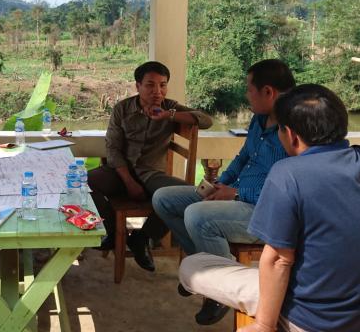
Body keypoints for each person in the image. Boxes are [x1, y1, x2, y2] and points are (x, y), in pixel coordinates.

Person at [179, 84, 360, 332]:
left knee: (193, 266)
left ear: (291, 135)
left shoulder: (288, 173)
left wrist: (264, 325)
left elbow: (278, 260)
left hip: (309, 316)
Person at [152, 59, 295, 325]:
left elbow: (290, 185)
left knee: (198, 216)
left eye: (248, 89)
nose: (246, 95)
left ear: (268, 92)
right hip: (236, 194)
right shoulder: (260, 118)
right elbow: (244, 157)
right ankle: (202, 263)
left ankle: (220, 292)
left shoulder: (294, 128)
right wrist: (218, 184)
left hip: (265, 209)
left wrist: (238, 192)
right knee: (164, 199)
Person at [88, 61, 213, 272]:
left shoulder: (170, 107)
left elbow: (205, 120)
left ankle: (142, 237)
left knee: (187, 195)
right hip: (120, 173)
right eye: (150, 85)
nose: (157, 91)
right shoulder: (122, 109)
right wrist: (128, 182)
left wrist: (168, 115)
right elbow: (113, 149)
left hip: (152, 174)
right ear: (138, 86)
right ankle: (112, 232)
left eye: (162, 85)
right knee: (83, 182)